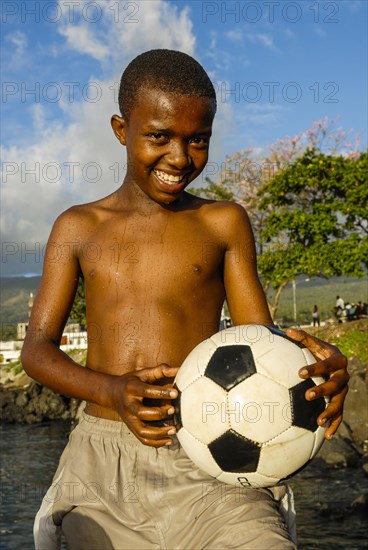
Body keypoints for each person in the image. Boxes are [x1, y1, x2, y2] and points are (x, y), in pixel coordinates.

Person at [21, 50, 349, 550]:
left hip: (213, 461)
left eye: (198, 140)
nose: (179, 158)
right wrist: (111, 391)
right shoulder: (77, 227)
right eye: (159, 136)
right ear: (119, 128)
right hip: (101, 468)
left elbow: (260, 343)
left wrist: (317, 371)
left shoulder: (222, 223)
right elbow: (37, 349)